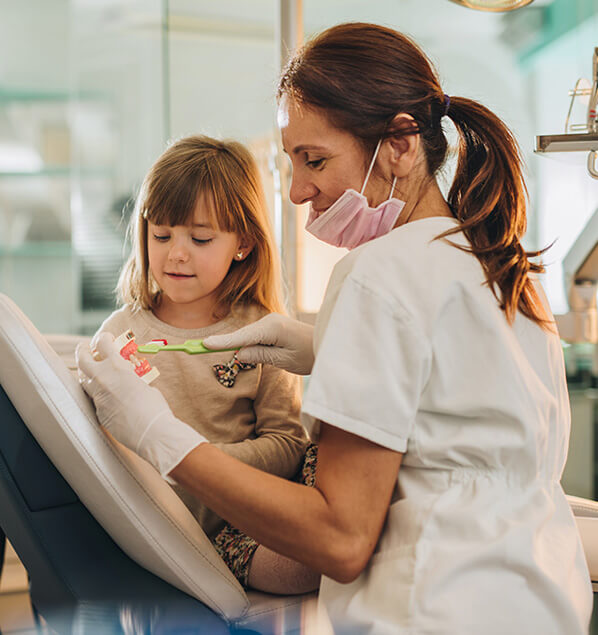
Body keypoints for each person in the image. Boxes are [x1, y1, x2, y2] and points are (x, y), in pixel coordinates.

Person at [77, 23, 592, 634]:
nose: (297, 192)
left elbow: (341, 539)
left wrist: (154, 430)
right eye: (291, 162)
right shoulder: (504, 268)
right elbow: (463, 419)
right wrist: (325, 351)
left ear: (401, 144)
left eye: (315, 160)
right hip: (541, 605)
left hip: (432, 611)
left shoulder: (379, 275)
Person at [90, 134, 319, 594]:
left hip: (237, 528)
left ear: (243, 245)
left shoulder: (263, 335)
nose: (176, 253)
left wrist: (203, 463)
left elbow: (287, 444)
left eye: (199, 238)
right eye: (161, 235)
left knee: (308, 566)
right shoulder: (119, 335)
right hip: (151, 531)